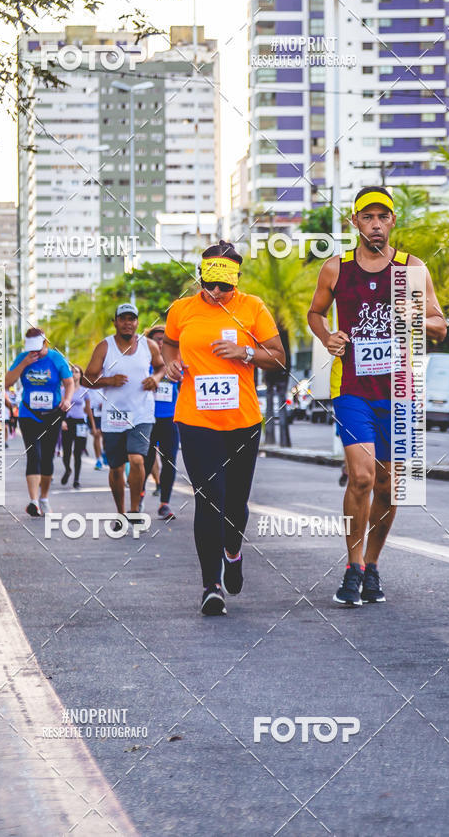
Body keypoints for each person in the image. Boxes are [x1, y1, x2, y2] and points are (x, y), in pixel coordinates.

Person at [307, 186, 447, 606]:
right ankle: (352, 567)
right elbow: (315, 312)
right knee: (363, 476)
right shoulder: (337, 268)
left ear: (392, 222)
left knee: (389, 486)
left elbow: (440, 326)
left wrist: (415, 316)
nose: (376, 225)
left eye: (382, 217)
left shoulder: (411, 268)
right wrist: (326, 336)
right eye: (367, 217)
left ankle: (372, 564)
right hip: (352, 388)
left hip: (401, 391)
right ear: (355, 223)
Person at [162, 240, 285, 615]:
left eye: (224, 286)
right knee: (208, 498)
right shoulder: (181, 310)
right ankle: (211, 586)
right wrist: (171, 363)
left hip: (242, 421)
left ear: (237, 279)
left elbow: (278, 358)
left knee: (235, 504)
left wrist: (245, 352)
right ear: (200, 278)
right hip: (195, 420)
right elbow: (169, 343)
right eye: (209, 284)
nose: (216, 292)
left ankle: (233, 551)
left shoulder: (252, 307)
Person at [83, 303, 165, 518]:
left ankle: (134, 509)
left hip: (142, 414)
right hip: (114, 416)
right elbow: (86, 379)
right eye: (123, 319)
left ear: (137, 322)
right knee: (116, 467)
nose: (128, 323)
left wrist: (156, 378)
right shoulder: (105, 347)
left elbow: (161, 366)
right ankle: (120, 512)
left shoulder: (149, 346)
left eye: (132, 319)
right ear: (115, 322)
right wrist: (109, 380)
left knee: (137, 459)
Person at [6, 328, 73, 517]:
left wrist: (67, 399)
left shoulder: (56, 358)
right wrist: (23, 364)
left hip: (52, 414)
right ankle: (33, 501)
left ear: (45, 343)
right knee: (33, 454)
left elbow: (69, 382)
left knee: (47, 457)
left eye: (37, 348)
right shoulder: (23, 358)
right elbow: (6, 383)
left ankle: (44, 498)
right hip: (29, 414)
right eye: (31, 348)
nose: (34, 352)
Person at [140, 325, 180, 521]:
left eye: (165, 340)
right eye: (157, 339)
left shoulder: (176, 363)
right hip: (147, 418)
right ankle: (138, 499)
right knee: (145, 461)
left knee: (169, 460)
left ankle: (165, 504)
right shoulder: (144, 363)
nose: (161, 343)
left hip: (170, 419)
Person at [61, 365, 96, 488]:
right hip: (68, 422)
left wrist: (93, 426)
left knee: (78, 452)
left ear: (81, 375)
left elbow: (88, 410)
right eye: (72, 372)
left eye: (76, 372)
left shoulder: (84, 391)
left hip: (80, 422)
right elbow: (60, 408)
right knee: (66, 451)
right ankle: (67, 469)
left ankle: (76, 479)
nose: (74, 374)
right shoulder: (63, 390)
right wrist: (62, 421)